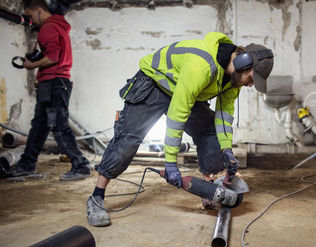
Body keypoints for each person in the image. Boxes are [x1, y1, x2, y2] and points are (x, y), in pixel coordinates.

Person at [86, 32, 274, 227]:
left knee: (210, 129)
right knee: (128, 139)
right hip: (154, 83)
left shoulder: (234, 80)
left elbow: (224, 116)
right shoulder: (202, 65)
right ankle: (96, 197)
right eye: (252, 78)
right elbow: (178, 115)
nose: (251, 84)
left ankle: (209, 189)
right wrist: (170, 164)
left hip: (179, 89)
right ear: (243, 63)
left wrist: (226, 150)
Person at [10, 0, 91, 181]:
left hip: (53, 83)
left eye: (31, 15)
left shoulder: (48, 28)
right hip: (54, 83)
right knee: (39, 127)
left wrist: (32, 65)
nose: (31, 19)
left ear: (39, 10)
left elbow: (53, 57)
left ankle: (81, 166)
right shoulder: (57, 27)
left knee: (60, 127)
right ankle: (26, 164)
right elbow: (53, 54)